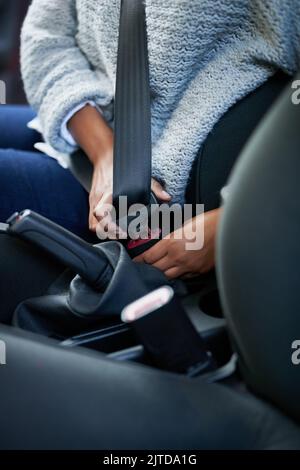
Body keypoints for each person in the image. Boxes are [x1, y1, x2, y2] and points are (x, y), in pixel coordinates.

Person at [0, 0, 299, 285]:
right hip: (87, 132)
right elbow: (46, 38)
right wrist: (106, 154)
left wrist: (233, 224)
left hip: (169, 208)